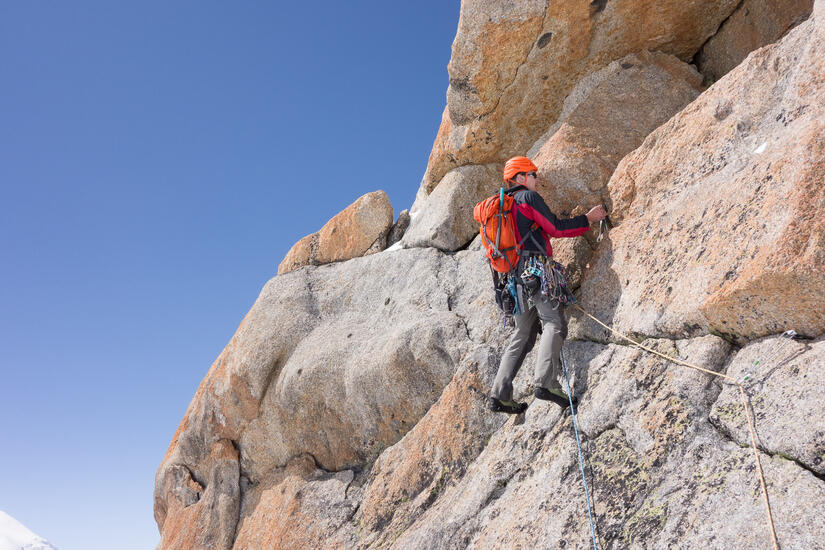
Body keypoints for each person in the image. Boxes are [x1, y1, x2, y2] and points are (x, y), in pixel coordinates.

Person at [489, 156, 607, 414]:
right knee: (554, 322)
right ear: (520, 178)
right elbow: (555, 228)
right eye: (533, 174)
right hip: (536, 270)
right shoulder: (527, 199)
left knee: (524, 333)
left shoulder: (501, 209)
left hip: (513, 281)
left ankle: (500, 394)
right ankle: (545, 383)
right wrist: (587, 219)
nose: (537, 179)